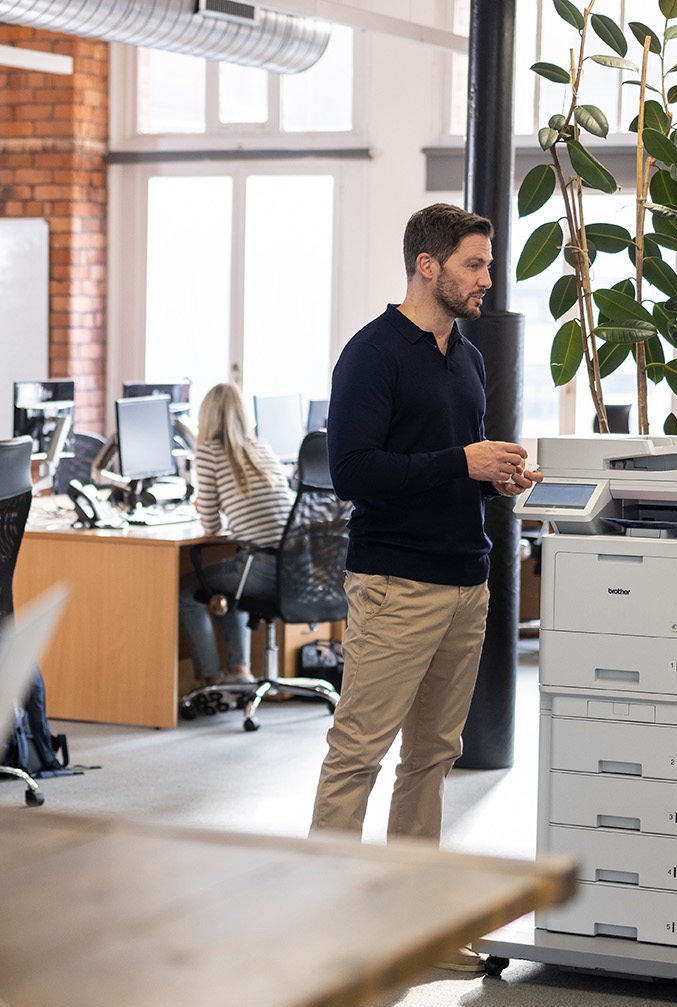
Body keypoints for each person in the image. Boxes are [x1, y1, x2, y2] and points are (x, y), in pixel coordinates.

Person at [310, 204, 539, 915]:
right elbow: (351, 473)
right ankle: (315, 926)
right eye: (475, 264)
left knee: (433, 759)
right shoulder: (373, 354)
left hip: (466, 580)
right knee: (358, 756)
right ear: (427, 266)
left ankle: (406, 923)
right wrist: (457, 461)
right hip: (396, 583)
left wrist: (493, 473)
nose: (487, 280)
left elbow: (450, 466)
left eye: (490, 265)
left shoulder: (466, 357)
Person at [179, 383, 296, 689]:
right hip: (294, 567)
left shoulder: (207, 453)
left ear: (206, 418)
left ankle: (213, 678)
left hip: (260, 570)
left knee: (187, 589)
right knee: (226, 581)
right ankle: (239, 668)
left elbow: (211, 525)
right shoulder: (262, 448)